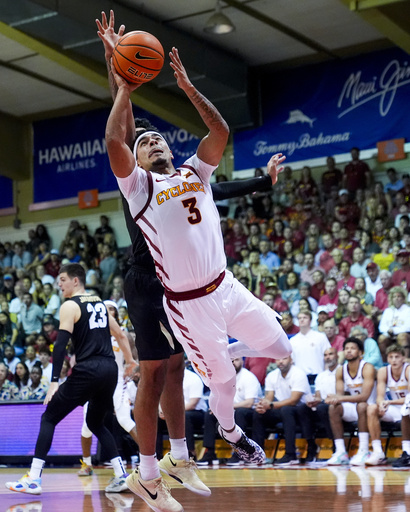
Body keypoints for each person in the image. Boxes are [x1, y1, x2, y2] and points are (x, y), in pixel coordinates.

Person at [96, 11, 290, 512]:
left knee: (188, 368)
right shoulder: (138, 185)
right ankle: (149, 470)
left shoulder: (190, 174)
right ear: (137, 161)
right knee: (156, 372)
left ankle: (181, 456)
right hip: (153, 282)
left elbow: (217, 169)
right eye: (146, 143)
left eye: (158, 138)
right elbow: (119, 132)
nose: (153, 142)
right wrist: (118, 71)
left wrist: (261, 182)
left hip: (211, 285)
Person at [5, 263, 138, 495]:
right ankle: (120, 475)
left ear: (76, 281)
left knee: (48, 417)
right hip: (109, 370)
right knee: (96, 423)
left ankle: (33, 479)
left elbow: (59, 345)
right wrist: (130, 361)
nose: (59, 284)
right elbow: (120, 334)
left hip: (89, 369)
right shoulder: (98, 301)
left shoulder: (70, 305)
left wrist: (54, 381)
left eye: (63, 279)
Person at [78, 300, 139, 477]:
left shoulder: (123, 334)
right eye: (106, 309)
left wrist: (135, 372)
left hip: (118, 380)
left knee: (125, 420)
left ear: (116, 314)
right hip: (95, 381)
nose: (109, 311)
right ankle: (86, 464)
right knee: (87, 427)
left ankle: (150, 459)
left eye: (112, 309)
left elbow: (135, 359)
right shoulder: (90, 332)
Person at [197, 357, 262, 467]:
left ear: (242, 361)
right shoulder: (222, 378)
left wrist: (226, 407)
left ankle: (239, 453)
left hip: (249, 412)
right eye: (230, 361)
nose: (233, 363)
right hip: (231, 411)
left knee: (240, 413)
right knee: (210, 414)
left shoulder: (248, 377)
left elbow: (249, 403)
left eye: (236, 360)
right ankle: (210, 452)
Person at [326, 337, 376, 466]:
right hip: (354, 407)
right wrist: (332, 399)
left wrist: (339, 398)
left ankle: (364, 450)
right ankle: (341, 451)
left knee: (362, 405)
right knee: (334, 408)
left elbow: (364, 396)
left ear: (361, 353)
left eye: (353, 348)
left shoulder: (367, 367)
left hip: (371, 408)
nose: (349, 351)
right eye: (346, 348)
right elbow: (339, 396)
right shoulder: (341, 370)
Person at [252, 355, 311, 465]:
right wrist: (263, 405)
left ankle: (290, 454)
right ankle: (258, 454)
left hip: (301, 411)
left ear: (291, 360)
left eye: (284, 358)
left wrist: (271, 405)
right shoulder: (272, 376)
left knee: (287, 410)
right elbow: (269, 399)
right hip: (280, 408)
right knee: (259, 413)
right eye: (278, 359)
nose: (281, 361)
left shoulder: (299, 374)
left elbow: (294, 400)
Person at [366, 344, 409, 466]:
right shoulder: (383, 371)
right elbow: (380, 395)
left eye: (397, 357)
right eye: (391, 357)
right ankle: (378, 452)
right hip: (395, 409)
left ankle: (407, 451)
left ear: (403, 358)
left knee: (406, 409)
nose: (394, 360)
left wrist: (389, 402)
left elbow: (409, 398)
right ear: (387, 359)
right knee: (372, 408)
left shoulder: (408, 370)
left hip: (407, 407)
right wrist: (381, 404)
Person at [290, 311, 330, 386]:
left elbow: (328, 358)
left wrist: (326, 375)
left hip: (319, 376)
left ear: (310, 321)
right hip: (300, 378)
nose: (302, 320)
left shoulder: (320, 337)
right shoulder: (293, 341)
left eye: (305, 318)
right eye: (299, 318)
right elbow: (291, 362)